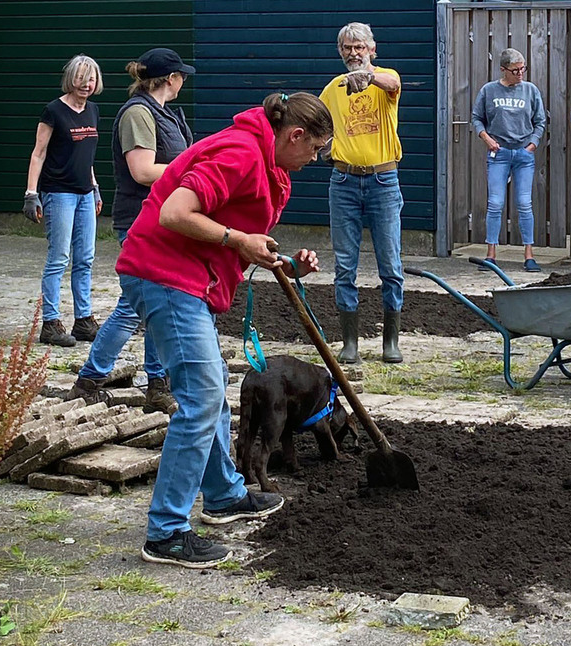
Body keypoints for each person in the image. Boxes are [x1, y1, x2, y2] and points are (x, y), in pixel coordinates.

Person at [114, 92, 332, 568]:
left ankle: (223, 495)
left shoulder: (266, 161)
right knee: (202, 398)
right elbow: (175, 213)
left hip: (188, 279)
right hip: (164, 276)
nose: (314, 160)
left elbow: (236, 232)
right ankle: (166, 532)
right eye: (315, 149)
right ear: (295, 135)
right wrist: (238, 240)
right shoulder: (240, 153)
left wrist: (286, 264)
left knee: (209, 393)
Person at [67, 48, 195, 414]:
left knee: (156, 305)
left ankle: (157, 384)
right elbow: (142, 171)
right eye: (182, 76)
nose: (183, 81)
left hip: (163, 220)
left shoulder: (166, 113)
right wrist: (192, 168)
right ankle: (89, 380)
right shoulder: (138, 113)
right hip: (140, 222)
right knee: (134, 306)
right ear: (171, 78)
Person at [319, 22, 405, 365]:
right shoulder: (333, 89)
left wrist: (368, 76)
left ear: (372, 49)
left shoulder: (387, 78)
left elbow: (393, 85)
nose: (353, 53)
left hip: (383, 181)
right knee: (344, 266)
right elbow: (316, 122)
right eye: (347, 48)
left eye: (359, 47)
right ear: (340, 52)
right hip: (343, 183)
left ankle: (391, 341)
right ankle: (350, 342)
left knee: (391, 265)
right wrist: (324, 147)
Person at [23, 54, 104, 347]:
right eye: (81, 78)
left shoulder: (93, 110)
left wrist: (95, 188)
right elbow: (39, 153)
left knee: (85, 258)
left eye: (91, 78)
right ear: (71, 78)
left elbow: (87, 157)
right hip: (59, 194)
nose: (86, 84)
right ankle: (50, 323)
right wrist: (31, 194)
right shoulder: (53, 111)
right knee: (59, 258)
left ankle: (83, 320)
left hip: (85, 194)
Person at [471, 48, 547, 273]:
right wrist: (486, 138)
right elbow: (477, 118)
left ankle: (529, 255)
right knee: (495, 203)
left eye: (523, 69)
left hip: (523, 154)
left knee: (524, 203)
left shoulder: (530, 90)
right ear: (503, 69)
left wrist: (532, 144)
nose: (520, 73)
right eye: (515, 70)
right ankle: (491, 255)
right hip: (499, 153)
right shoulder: (489, 90)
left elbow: (540, 121)